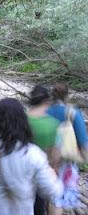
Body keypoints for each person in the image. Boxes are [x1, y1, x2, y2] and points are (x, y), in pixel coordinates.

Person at [47, 83, 88, 213]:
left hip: (45, 159)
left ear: (51, 95)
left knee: (49, 197)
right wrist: (84, 156)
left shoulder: (45, 111)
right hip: (67, 161)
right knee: (59, 199)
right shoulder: (73, 112)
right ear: (67, 96)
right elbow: (82, 139)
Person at [27, 85, 60, 215]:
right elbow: (55, 155)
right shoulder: (53, 124)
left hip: (19, 173)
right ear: (47, 101)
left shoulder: (21, 119)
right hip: (42, 173)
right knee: (39, 207)